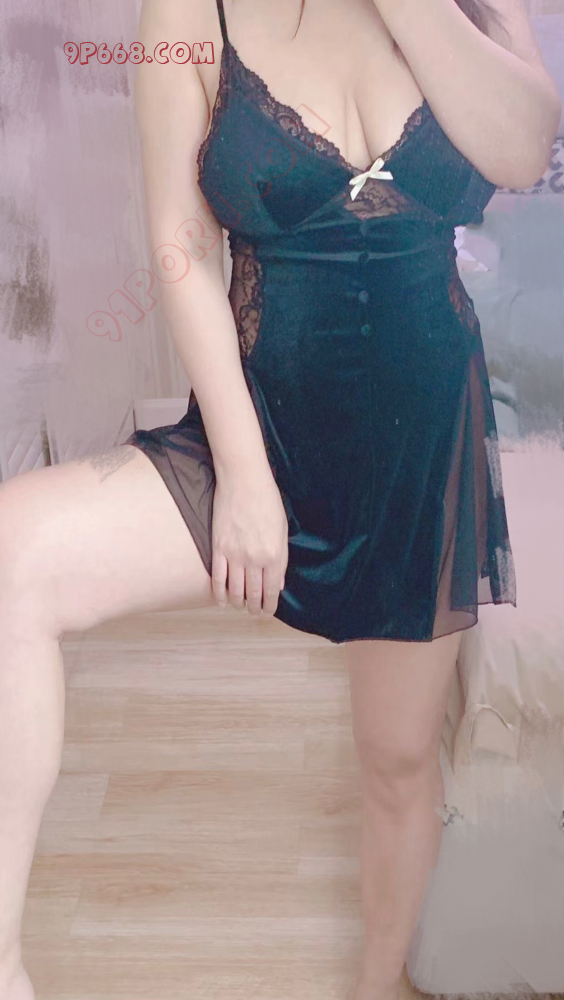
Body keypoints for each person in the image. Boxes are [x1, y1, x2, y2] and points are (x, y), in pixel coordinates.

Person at [0, 1, 560, 998]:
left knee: (396, 762)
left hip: (418, 448)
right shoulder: (189, 12)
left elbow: (521, 150)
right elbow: (181, 245)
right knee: (15, 554)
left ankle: (376, 987)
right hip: (256, 428)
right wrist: (246, 473)